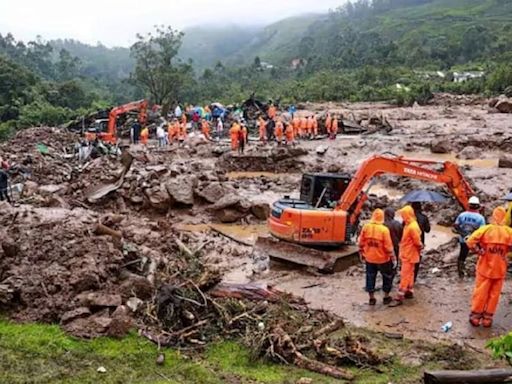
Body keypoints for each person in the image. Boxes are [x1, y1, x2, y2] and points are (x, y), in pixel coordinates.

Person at [466, 207, 512, 327]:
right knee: (494, 295)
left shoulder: (486, 229)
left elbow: (470, 241)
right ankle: (487, 318)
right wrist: (506, 251)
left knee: (481, 292)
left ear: (494, 216)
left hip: (485, 267)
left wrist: (479, 251)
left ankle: (476, 316)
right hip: (500, 268)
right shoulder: (509, 232)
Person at [359, 209, 396, 305]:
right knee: (387, 277)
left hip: (369, 258)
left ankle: (371, 298)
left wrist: (362, 253)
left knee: (370, 276)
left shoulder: (366, 227)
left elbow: (360, 242)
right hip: (383, 259)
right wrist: (393, 258)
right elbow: (388, 247)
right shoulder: (384, 230)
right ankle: (386, 296)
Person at [393, 205, 423, 305]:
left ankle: (400, 296)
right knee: (410, 273)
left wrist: (420, 247)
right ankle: (409, 291)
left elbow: (417, 242)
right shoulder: (409, 224)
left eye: (403, 215)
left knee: (405, 275)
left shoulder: (412, 227)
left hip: (409, 254)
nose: (402, 217)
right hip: (409, 253)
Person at [454, 196, 486, 278]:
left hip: (463, 239)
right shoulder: (480, 218)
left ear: (469, 205)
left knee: (462, 255)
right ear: (478, 206)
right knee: (480, 254)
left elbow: (456, 226)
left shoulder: (462, 215)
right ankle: (479, 270)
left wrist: (463, 234)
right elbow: (482, 231)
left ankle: (460, 273)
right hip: (476, 241)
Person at [411, 202, 431, 281]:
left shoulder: (409, 217)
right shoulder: (424, 217)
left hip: (409, 242)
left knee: (408, 260)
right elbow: (428, 230)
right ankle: (414, 278)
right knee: (417, 259)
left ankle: (408, 277)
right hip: (420, 242)